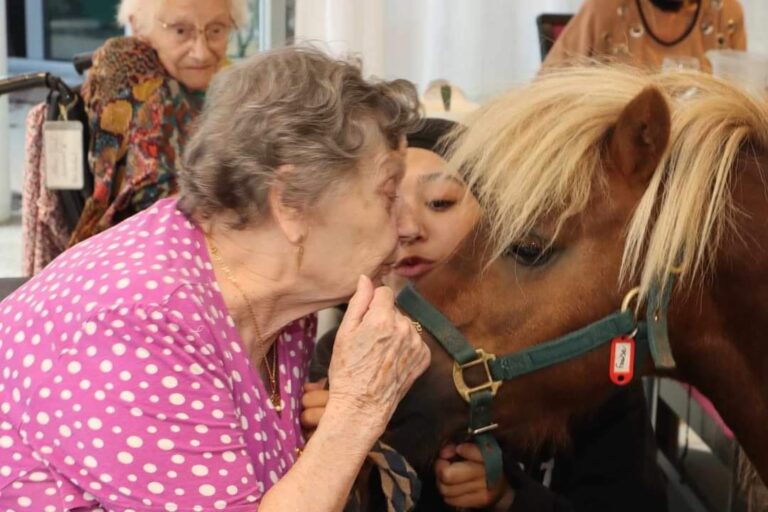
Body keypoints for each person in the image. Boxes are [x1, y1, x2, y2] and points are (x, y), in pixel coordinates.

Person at [0, 47, 431, 511]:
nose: (408, 227)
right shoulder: (139, 324)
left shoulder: (275, 298)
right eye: (388, 193)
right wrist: (358, 410)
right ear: (290, 203)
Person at [306, 118, 667, 511]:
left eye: (440, 202)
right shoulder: (340, 362)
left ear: (497, 222)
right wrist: (333, 454)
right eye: (388, 206)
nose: (408, 228)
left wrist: (512, 498)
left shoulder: (577, 361)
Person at [68, 0, 246, 245]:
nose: (201, 52)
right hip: (145, 251)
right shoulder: (127, 64)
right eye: (180, 31)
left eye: (216, 30)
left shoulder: (234, 81)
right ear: (139, 26)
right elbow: (162, 205)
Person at [543, 0, 746, 72]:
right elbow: (546, 90)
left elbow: (740, 102)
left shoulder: (726, 13)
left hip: (702, 159)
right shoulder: (604, 8)